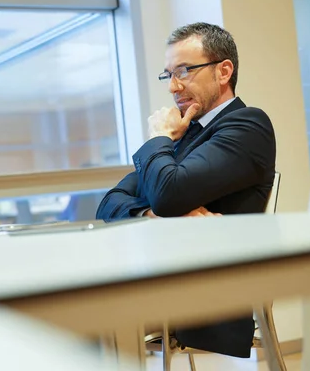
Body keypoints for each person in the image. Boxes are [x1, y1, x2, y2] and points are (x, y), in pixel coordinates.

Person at [95, 22, 276, 358]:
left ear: (224, 72)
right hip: (163, 279)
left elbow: (168, 193)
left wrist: (157, 140)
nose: (173, 87)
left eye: (185, 71)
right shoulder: (184, 134)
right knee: (66, 310)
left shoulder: (247, 125)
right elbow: (109, 204)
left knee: (78, 313)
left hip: (207, 294)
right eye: (168, 75)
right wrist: (151, 214)